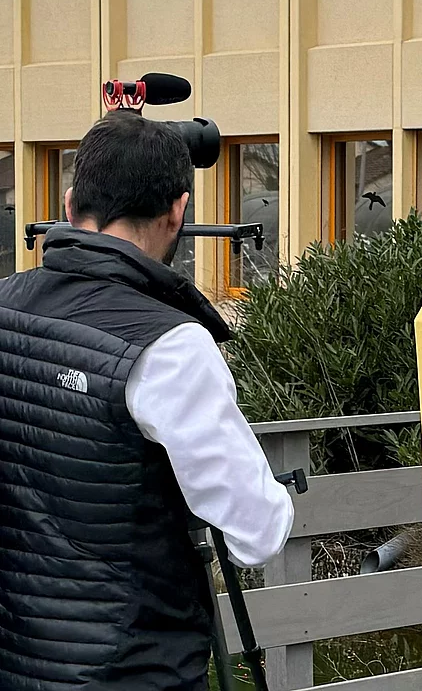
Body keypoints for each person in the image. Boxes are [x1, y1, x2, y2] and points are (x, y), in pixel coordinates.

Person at [0, 111, 294, 691]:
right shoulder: (172, 346)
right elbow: (257, 531)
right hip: (132, 669)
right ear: (177, 211)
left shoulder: (5, 304)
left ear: (69, 204)